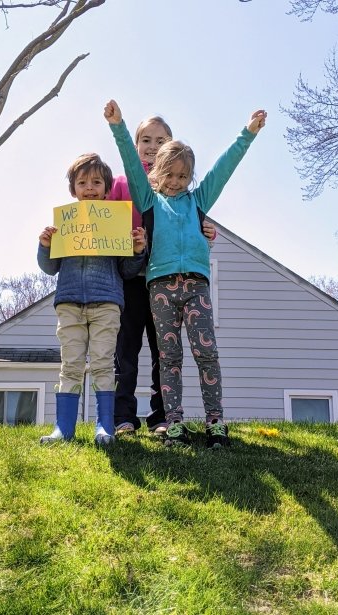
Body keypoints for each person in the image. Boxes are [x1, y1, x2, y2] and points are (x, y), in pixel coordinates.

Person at [104, 100, 266, 448]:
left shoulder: (197, 201)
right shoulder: (148, 201)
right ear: (156, 172)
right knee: (169, 356)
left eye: (182, 176)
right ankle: (172, 422)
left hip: (196, 287)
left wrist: (247, 134)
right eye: (169, 175)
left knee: (206, 353)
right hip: (158, 287)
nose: (175, 182)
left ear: (189, 177)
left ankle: (215, 421)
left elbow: (224, 169)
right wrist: (118, 126)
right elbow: (131, 163)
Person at [108, 116, 217, 437]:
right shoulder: (124, 182)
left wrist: (205, 228)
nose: (152, 147)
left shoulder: (175, 184)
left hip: (164, 279)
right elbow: (106, 222)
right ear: (136, 144)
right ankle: (123, 416)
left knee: (163, 352)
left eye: (160, 140)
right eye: (146, 140)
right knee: (125, 350)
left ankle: (161, 416)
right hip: (130, 275)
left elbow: (187, 220)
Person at [37, 152, 146, 446]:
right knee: (70, 364)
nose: (89, 188)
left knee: (102, 364)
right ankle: (64, 428)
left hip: (107, 304)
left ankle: (104, 426)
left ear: (107, 189)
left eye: (96, 182)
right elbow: (49, 268)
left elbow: (126, 269)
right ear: (73, 189)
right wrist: (45, 245)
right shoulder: (64, 224)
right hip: (70, 303)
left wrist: (137, 251)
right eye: (82, 182)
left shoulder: (115, 223)